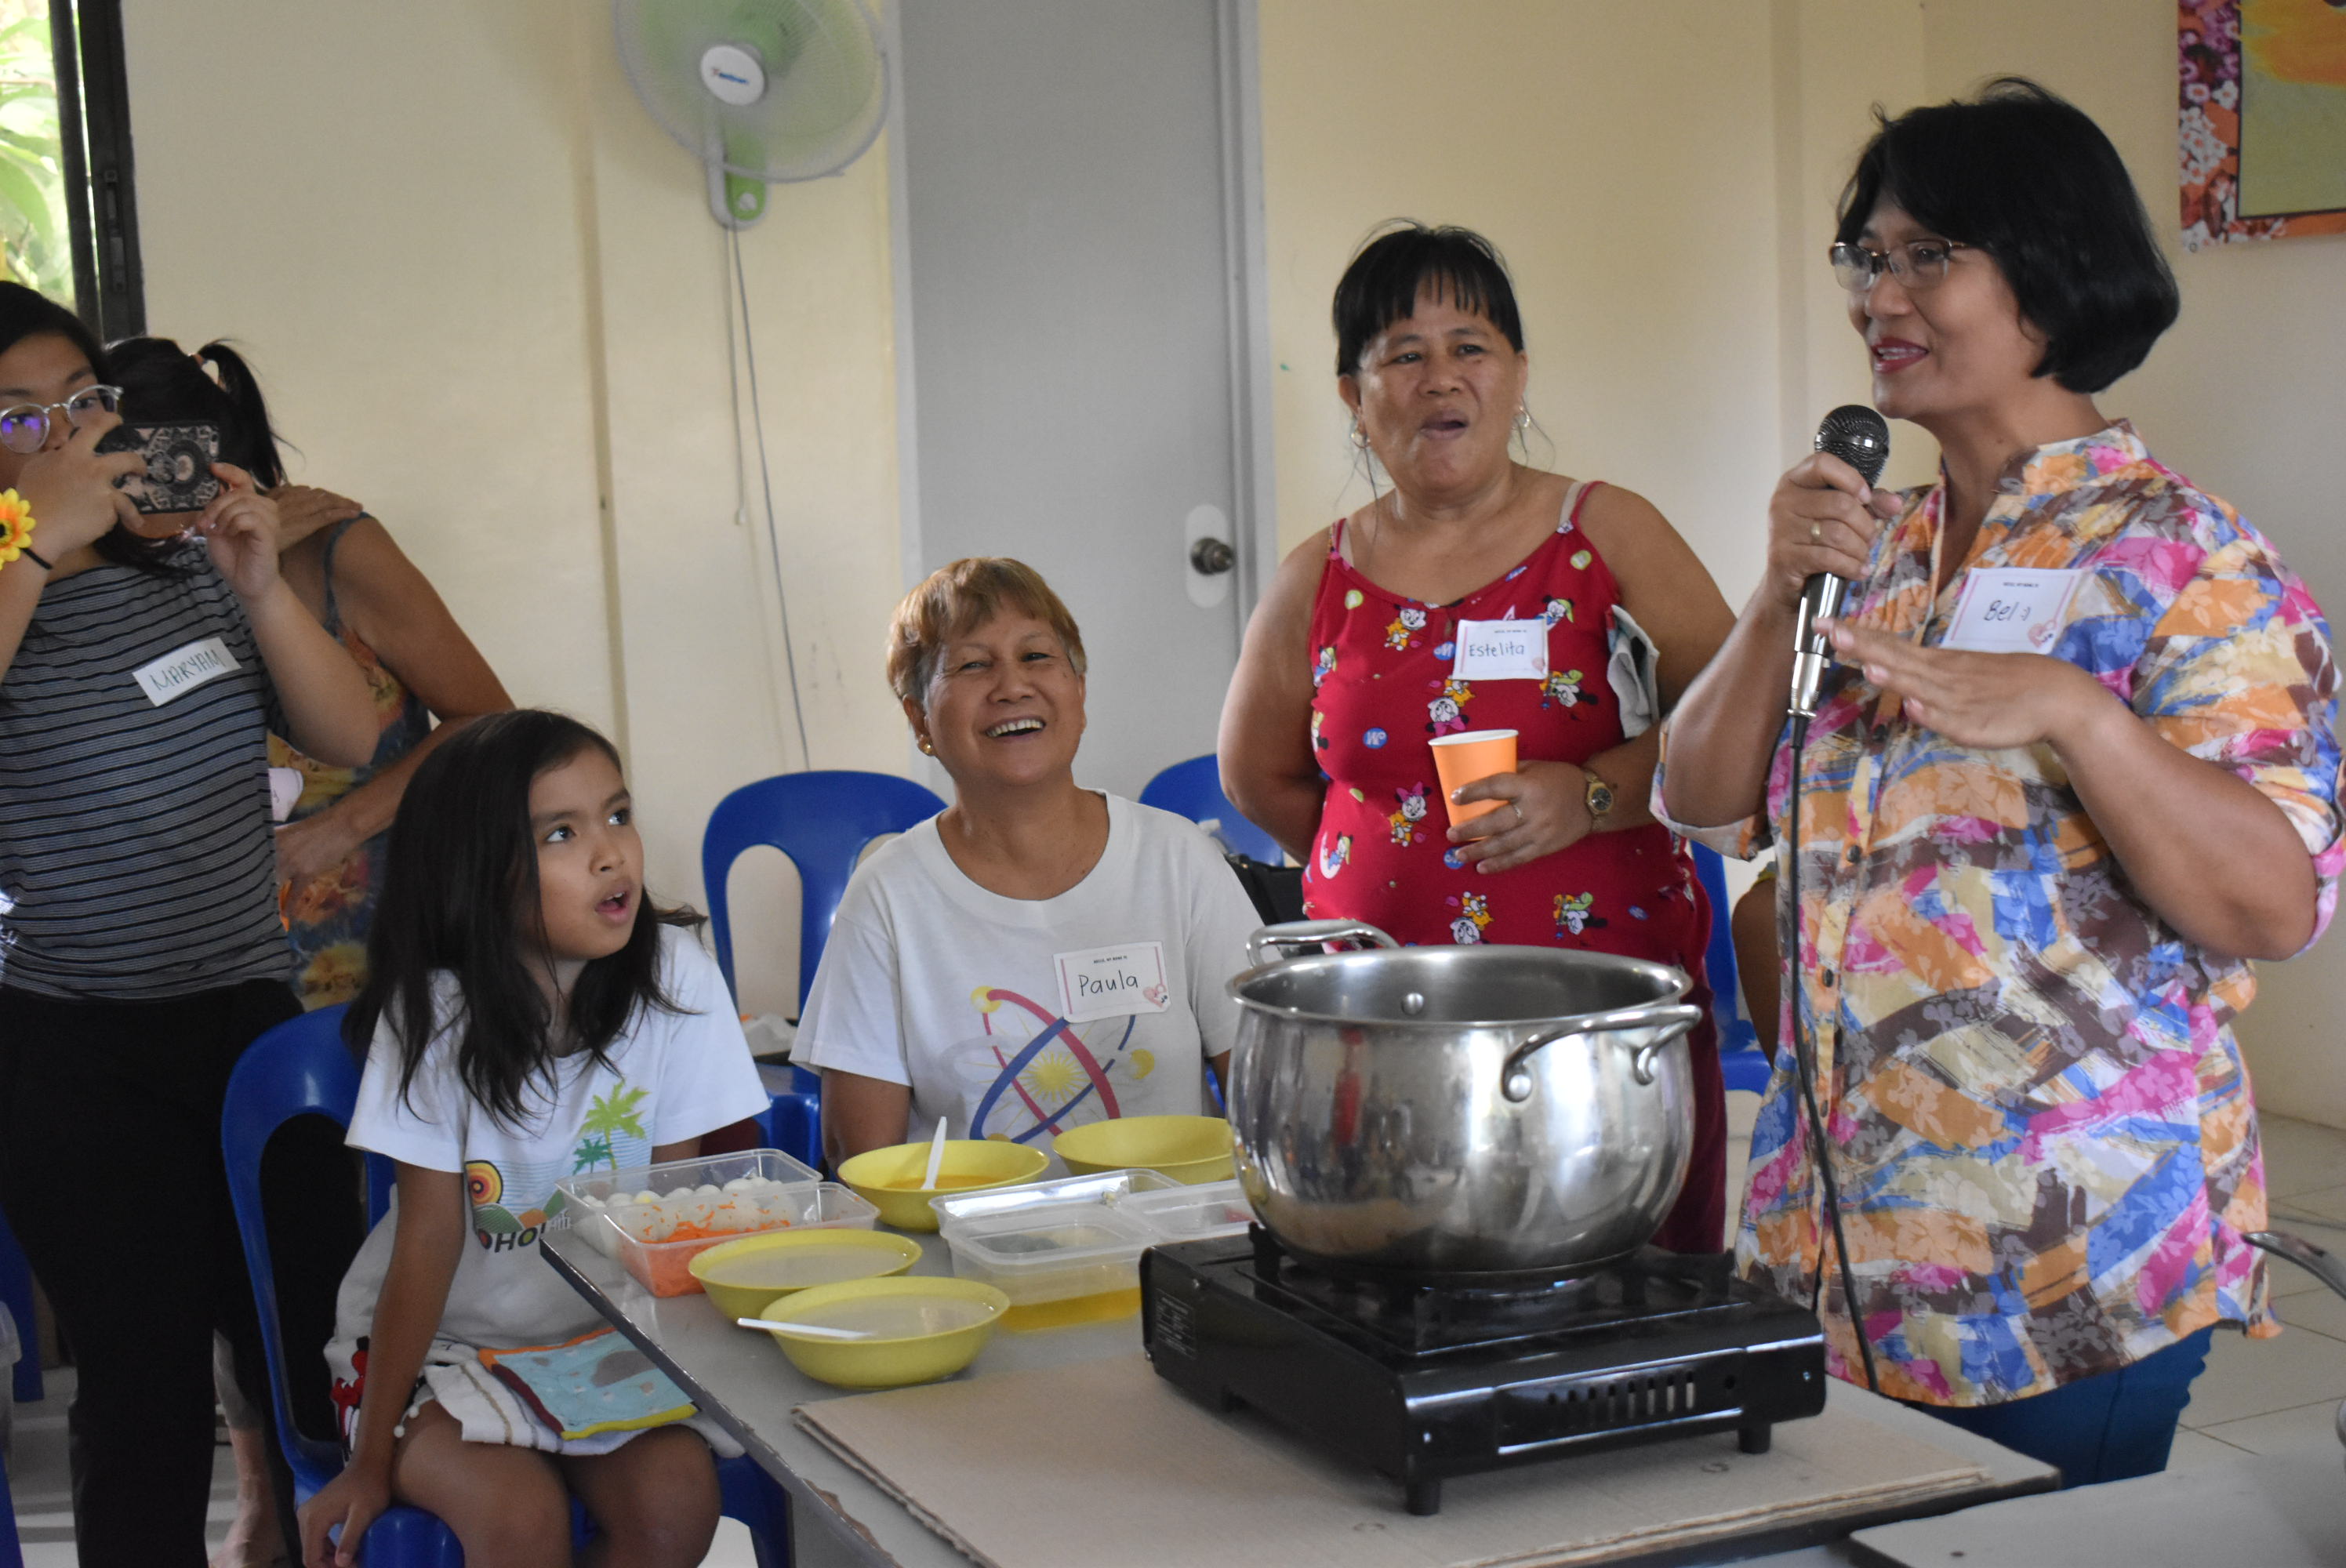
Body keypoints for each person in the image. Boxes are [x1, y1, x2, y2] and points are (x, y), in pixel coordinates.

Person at [1655, 80, 2341, 1486]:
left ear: (2048, 264)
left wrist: (2081, 718)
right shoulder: (1875, 550)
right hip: (1829, 1243)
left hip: (2060, 1258)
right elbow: (1700, 798)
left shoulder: (2189, 557)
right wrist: (1776, 593)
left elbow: (2273, 905)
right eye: (1865, 256)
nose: (1877, 295)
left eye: (1926, 254)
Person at [1218, 223, 1739, 1251]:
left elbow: (1735, 728)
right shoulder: (1316, 575)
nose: (1440, 377)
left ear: (1518, 374)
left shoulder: (1607, 533)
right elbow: (1257, 772)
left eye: (1470, 346)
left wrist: (1592, 794)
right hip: (1385, 1042)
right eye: (1402, 354)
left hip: (1598, 1042)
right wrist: (1388, 848)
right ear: (1353, 395)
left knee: (1617, 1306)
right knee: (1394, 1298)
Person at [0, 282, 379, 1567]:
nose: (64, 436)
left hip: (247, 1032)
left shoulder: (183, 571)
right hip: (72, 1049)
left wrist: (260, 583)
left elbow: (349, 734)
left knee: (317, 1355)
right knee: (145, 1397)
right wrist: (33, 547)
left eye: (80, 402)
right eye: (18, 417)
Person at [298, 710, 768, 1568]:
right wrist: (367, 1462)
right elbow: (428, 1242)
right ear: (478, 873)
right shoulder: (432, 1014)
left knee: (676, 1505)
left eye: (617, 815)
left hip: (604, 1337)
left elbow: (667, 1215)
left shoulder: (677, 976)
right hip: (440, 1348)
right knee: (519, 1521)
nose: (610, 854)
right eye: (561, 833)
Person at [801, 557, 1262, 1163]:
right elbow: (862, 1158)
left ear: (1080, 691)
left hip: (1169, 1218)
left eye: (1037, 656)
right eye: (973, 665)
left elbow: (1271, 1100)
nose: (1012, 686)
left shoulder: (1179, 861)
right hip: (967, 1225)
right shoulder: (887, 895)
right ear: (919, 719)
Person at [108, 336, 514, 1010]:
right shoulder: (95, 572)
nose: (135, 508)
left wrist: (337, 830)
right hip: (194, 961)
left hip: (374, 941)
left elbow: (490, 723)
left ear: (212, 466)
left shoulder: (336, 548)